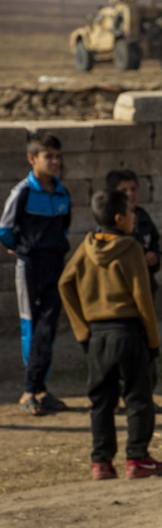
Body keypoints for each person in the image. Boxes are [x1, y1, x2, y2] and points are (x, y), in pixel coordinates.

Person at [57, 190, 162, 481]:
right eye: (132, 213)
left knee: (101, 400)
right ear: (119, 218)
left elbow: (64, 284)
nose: (135, 217)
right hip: (129, 332)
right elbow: (142, 296)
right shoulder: (130, 248)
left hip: (97, 335)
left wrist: (81, 328)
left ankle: (101, 462)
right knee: (138, 397)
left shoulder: (85, 247)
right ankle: (137, 458)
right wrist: (153, 340)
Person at [0, 132, 71, 416]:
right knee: (32, 327)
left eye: (57, 156)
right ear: (32, 159)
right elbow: (5, 229)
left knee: (49, 328)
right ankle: (29, 390)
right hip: (30, 267)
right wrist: (22, 250)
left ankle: (41, 387)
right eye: (48, 156)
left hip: (55, 266)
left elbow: (64, 227)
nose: (54, 161)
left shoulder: (62, 191)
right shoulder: (23, 192)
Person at [106, 169, 162, 401]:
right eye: (124, 190)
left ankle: (145, 394)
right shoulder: (110, 225)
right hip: (123, 299)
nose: (130, 194)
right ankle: (122, 394)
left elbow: (156, 247)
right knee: (123, 349)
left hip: (146, 293)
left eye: (133, 189)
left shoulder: (144, 218)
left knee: (147, 344)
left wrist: (153, 257)